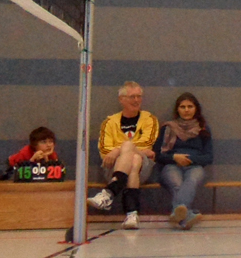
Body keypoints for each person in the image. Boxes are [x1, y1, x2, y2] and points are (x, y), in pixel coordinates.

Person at [88, 81, 159, 229]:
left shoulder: (149, 119)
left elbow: (147, 144)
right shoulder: (109, 122)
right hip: (113, 167)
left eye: (139, 96)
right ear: (121, 99)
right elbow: (105, 150)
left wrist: (117, 150)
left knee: (130, 149)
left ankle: (109, 193)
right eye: (132, 97)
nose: (136, 100)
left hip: (144, 168)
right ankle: (132, 214)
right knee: (134, 159)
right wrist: (129, 150)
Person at [156, 92, 212, 230]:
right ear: (177, 109)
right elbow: (157, 155)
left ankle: (178, 213)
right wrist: (174, 157)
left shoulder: (203, 129)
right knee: (177, 184)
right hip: (171, 165)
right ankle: (187, 216)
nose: (186, 110)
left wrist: (190, 159)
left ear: (196, 109)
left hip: (195, 166)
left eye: (190, 106)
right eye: (183, 107)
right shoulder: (167, 128)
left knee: (191, 180)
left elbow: (208, 157)